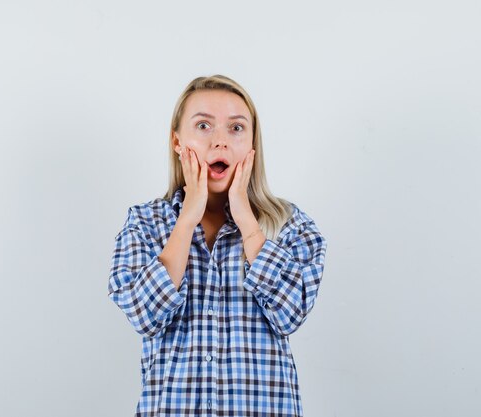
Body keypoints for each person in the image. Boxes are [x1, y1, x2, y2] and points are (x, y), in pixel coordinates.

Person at [107, 74, 328, 417]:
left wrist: (247, 222)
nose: (220, 142)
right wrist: (188, 217)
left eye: (236, 128)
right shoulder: (145, 224)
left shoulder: (290, 225)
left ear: (253, 143)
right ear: (177, 141)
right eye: (204, 126)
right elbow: (143, 314)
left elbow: (290, 313)